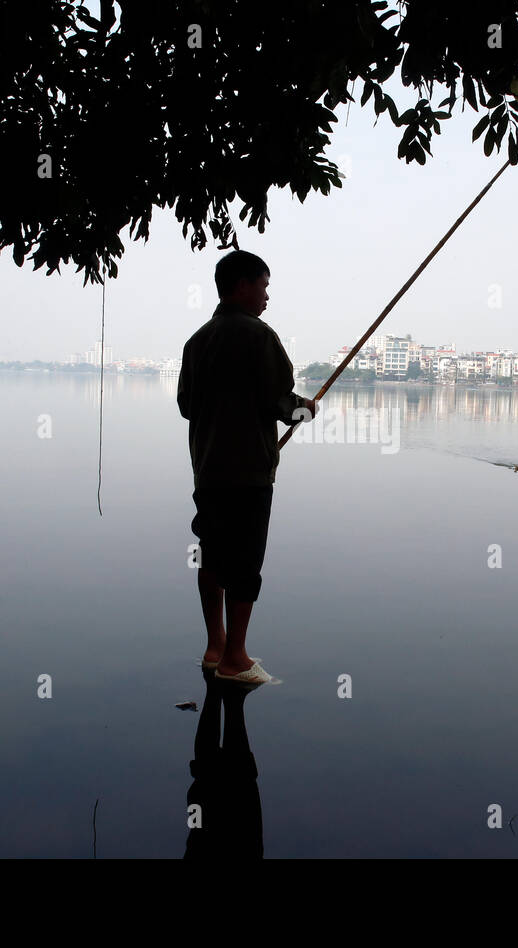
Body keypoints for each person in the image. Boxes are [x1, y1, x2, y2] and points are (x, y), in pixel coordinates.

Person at [177, 250, 316, 685]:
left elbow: (186, 406)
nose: (267, 295)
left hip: (208, 470)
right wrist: (304, 411)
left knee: (212, 554)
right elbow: (278, 400)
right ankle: (236, 658)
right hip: (250, 474)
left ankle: (214, 646)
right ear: (242, 286)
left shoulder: (197, 342)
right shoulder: (259, 337)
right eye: (264, 286)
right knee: (245, 562)